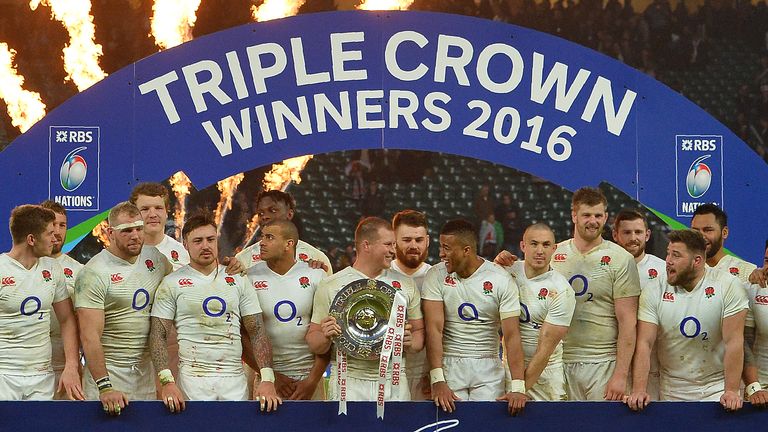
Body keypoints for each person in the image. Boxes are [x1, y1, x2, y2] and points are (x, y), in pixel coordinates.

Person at [149, 212, 281, 411]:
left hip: (234, 381)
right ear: (185, 244)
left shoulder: (237, 279)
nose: (205, 246)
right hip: (193, 381)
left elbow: (257, 330)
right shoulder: (171, 283)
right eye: (198, 241)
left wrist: (268, 378)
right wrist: (167, 382)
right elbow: (158, 334)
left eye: (210, 239)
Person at [627, 229, 747, 411]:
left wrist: (731, 390)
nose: (668, 261)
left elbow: (734, 342)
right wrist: (638, 390)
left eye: (676, 255)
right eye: (668, 253)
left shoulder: (728, 286)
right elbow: (645, 343)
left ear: (697, 261)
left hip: (716, 388)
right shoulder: (654, 289)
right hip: (671, 389)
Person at [306, 217, 424, 401]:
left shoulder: (406, 285)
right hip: (348, 380)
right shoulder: (331, 285)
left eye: (394, 244)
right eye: (388, 244)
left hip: (393, 379)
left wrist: (411, 342)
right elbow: (314, 342)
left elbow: (418, 334)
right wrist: (325, 335)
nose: (394, 250)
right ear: (366, 245)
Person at [75, 202, 173, 415]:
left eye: (139, 228)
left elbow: (182, 284)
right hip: (109, 376)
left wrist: (228, 267)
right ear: (110, 233)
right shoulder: (94, 273)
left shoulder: (155, 258)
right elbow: (89, 336)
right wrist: (105, 386)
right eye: (127, 231)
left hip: (144, 375)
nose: (136, 235)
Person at [422, 219, 526, 415]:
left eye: (447, 248)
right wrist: (437, 379)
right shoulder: (435, 275)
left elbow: (511, 335)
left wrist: (518, 387)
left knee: (484, 425)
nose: (441, 254)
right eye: (441, 247)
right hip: (450, 363)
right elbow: (434, 330)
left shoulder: (500, 279)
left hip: (488, 365)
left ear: (466, 250)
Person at [549, 187, 640, 401]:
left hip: (603, 363)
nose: (593, 221)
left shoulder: (621, 259)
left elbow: (628, 322)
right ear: (574, 216)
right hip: (559, 360)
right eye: (586, 215)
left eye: (598, 216)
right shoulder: (554, 254)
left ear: (606, 217)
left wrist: (620, 374)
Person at [0, 205, 82, 400]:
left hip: (41, 375)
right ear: (31, 239)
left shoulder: (53, 269)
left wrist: (72, 365)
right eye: (50, 234)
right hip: (4, 374)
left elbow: (67, 320)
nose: (56, 238)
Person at [245, 219, 328, 400]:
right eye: (261, 236)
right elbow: (242, 335)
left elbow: (327, 333)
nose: (262, 243)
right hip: (268, 379)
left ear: (288, 244)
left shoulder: (315, 275)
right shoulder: (250, 278)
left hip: (308, 379)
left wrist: (312, 381)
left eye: (269, 237)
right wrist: (271, 376)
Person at [506, 223, 575, 401]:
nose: (540, 250)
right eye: (534, 244)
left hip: (546, 375)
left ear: (554, 249)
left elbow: (545, 350)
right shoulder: (507, 272)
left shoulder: (562, 290)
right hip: (509, 368)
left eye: (545, 245)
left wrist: (519, 390)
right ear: (523, 246)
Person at [612, 208, 666, 399]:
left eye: (638, 232)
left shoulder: (663, 270)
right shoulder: (607, 267)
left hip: (653, 361)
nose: (633, 238)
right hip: (614, 359)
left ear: (648, 235)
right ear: (615, 235)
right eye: (627, 232)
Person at [40, 200, 85, 399]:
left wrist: (73, 365)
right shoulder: (20, 267)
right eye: (52, 224)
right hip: (25, 364)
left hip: (65, 364)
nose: (57, 231)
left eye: (62, 225)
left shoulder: (80, 271)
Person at [237, 190, 331, 275]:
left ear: (289, 214)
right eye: (261, 213)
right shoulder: (243, 259)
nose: (264, 216)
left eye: (273, 210)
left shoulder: (317, 258)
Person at [390, 210, 432, 400]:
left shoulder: (438, 277)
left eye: (419, 240)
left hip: (425, 372)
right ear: (394, 240)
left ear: (427, 241)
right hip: (386, 371)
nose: (413, 246)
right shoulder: (381, 276)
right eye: (406, 240)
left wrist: (437, 373)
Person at [129, 182, 189, 270]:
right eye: (145, 209)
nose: (153, 215)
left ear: (166, 212)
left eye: (158, 208)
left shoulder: (184, 253)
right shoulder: (123, 255)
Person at [691, 203, 756, 283]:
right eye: (695, 231)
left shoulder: (746, 271)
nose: (700, 236)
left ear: (724, 232)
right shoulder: (684, 270)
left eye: (708, 230)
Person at [744, 244, 768, 407]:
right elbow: (743, 341)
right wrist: (754, 386)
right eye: (767, 260)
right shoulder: (755, 288)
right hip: (762, 390)